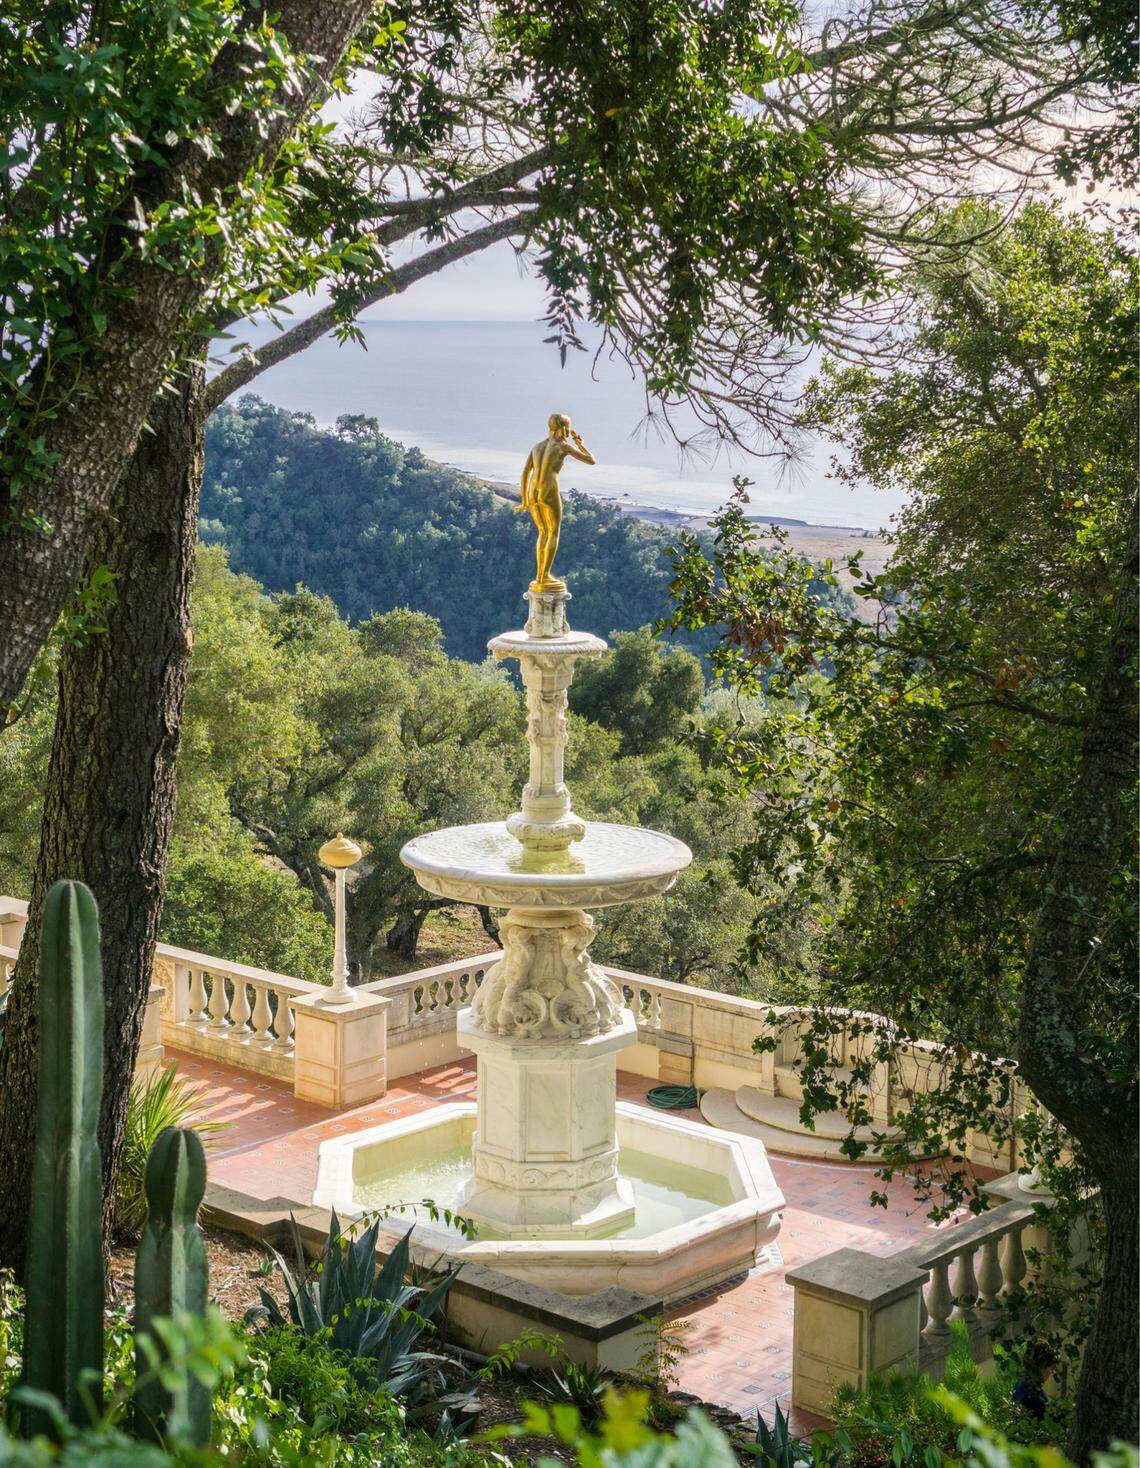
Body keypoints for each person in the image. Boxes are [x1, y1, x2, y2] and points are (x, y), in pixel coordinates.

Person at [516, 413, 595, 591]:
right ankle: (545, 575)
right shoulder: (562, 447)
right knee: (553, 533)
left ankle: (540, 576)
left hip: (532, 492)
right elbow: (591, 460)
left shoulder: (537, 447)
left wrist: (523, 501)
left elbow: (525, 473)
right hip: (549, 490)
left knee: (542, 532)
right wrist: (580, 444)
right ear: (564, 428)